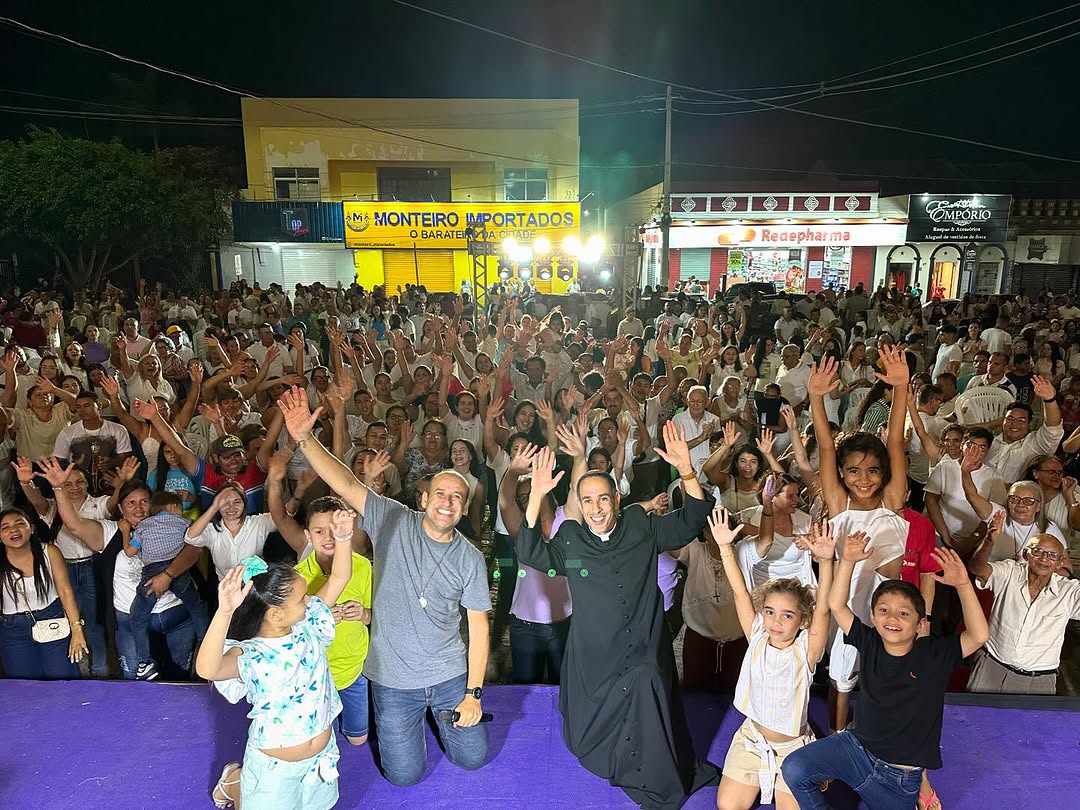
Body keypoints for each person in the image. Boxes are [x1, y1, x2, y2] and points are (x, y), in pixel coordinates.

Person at [276, 386, 491, 787]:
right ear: (423, 498)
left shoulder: (470, 557)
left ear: (464, 508)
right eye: (440, 493)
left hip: (448, 676)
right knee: (403, 776)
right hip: (392, 679)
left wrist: (473, 693)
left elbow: (479, 629)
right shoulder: (392, 518)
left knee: (473, 759)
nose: (448, 502)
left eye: (457, 497)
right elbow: (343, 482)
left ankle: (444, 723)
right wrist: (305, 437)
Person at [517, 422, 719, 810]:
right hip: (595, 652)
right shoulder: (571, 539)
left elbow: (692, 520)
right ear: (580, 503)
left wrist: (686, 470)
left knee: (645, 681)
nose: (596, 509)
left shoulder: (641, 526)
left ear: (616, 499)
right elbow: (530, 553)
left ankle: (660, 782)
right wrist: (538, 494)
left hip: (644, 644)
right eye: (587, 501)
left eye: (603, 499)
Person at [781, 532, 989, 810]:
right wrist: (848, 561)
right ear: (873, 616)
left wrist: (963, 584)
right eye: (884, 610)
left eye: (904, 614)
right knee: (795, 768)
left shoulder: (933, 654)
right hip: (856, 750)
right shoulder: (869, 641)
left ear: (919, 624)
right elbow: (836, 605)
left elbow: (978, 635)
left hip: (897, 777)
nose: (892, 618)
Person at [197, 518, 354, 810]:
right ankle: (235, 782)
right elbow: (208, 669)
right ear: (275, 615)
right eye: (302, 598)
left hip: (320, 759)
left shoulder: (310, 623)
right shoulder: (253, 655)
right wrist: (224, 611)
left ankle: (237, 780)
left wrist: (344, 540)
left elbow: (339, 578)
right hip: (275, 769)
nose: (310, 601)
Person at [807, 348, 910, 733]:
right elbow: (826, 444)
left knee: (885, 678)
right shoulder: (839, 501)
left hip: (891, 610)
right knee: (842, 678)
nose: (863, 478)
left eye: (872, 470)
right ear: (842, 474)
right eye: (853, 471)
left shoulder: (893, 499)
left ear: (884, 473)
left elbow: (896, 441)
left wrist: (900, 389)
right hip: (846, 604)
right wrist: (816, 397)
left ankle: (880, 734)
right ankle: (837, 735)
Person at [711, 506, 834, 810]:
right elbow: (741, 593)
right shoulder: (757, 635)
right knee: (727, 806)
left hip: (793, 749)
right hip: (752, 742)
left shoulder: (807, 649)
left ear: (802, 621)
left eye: (787, 615)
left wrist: (827, 561)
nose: (776, 622)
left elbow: (823, 610)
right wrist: (726, 547)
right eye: (769, 612)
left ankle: (817, 760)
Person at [967, 517, 1080, 695]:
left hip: (1039, 681)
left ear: (1060, 563)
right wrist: (989, 541)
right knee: (975, 722)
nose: (1044, 559)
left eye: (1052, 556)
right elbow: (978, 568)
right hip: (991, 669)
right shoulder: (1009, 572)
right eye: (1038, 552)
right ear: (1026, 554)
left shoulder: (1069, 591)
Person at [0, 507, 86, 679]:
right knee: (24, 686)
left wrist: (76, 629)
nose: (13, 530)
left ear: (31, 528)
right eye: (5, 527)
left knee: (62, 680)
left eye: (19, 524)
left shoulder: (50, 552)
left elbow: (65, 591)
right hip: (12, 629)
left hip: (51, 619)